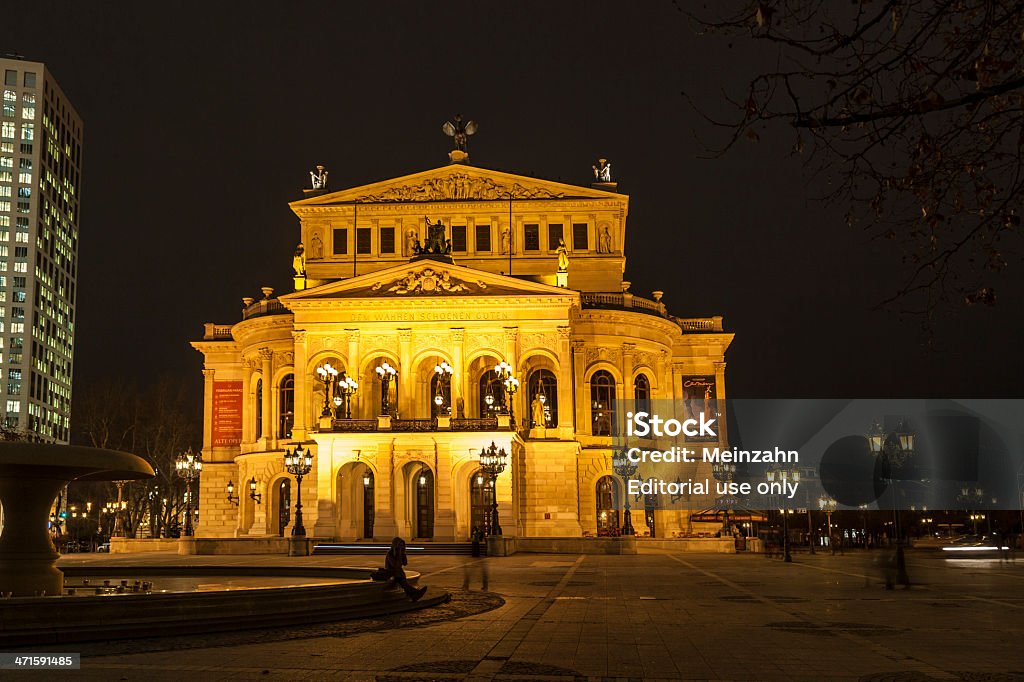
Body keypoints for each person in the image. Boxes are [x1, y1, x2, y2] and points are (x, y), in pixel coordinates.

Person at [383, 537, 427, 601]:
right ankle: (415, 593)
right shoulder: (390, 553)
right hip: (391, 572)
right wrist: (398, 555)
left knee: (403, 581)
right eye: (400, 545)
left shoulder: (401, 553)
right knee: (402, 580)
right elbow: (395, 566)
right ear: (396, 545)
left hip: (398, 572)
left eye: (402, 545)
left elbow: (405, 563)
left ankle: (414, 594)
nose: (401, 546)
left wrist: (403, 553)